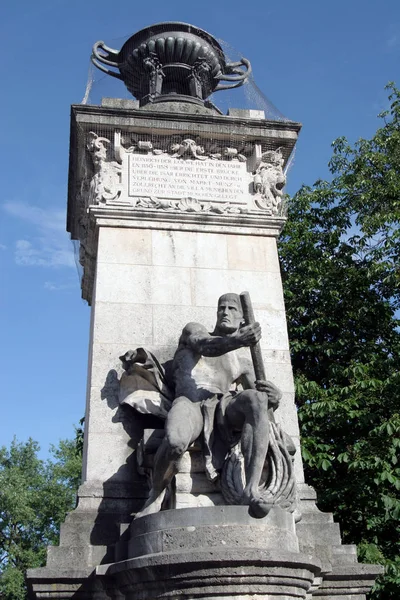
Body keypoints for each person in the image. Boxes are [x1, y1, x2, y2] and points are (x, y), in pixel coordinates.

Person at [135, 293, 282, 518]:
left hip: (222, 407)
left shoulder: (242, 362)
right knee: (175, 442)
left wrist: (275, 397)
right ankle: (156, 493)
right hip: (189, 403)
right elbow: (205, 345)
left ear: (242, 320)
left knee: (256, 399)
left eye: (232, 309)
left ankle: (251, 489)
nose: (225, 312)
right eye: (221, 308)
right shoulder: (194, 331)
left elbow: (264, 410)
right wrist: (237, 341)